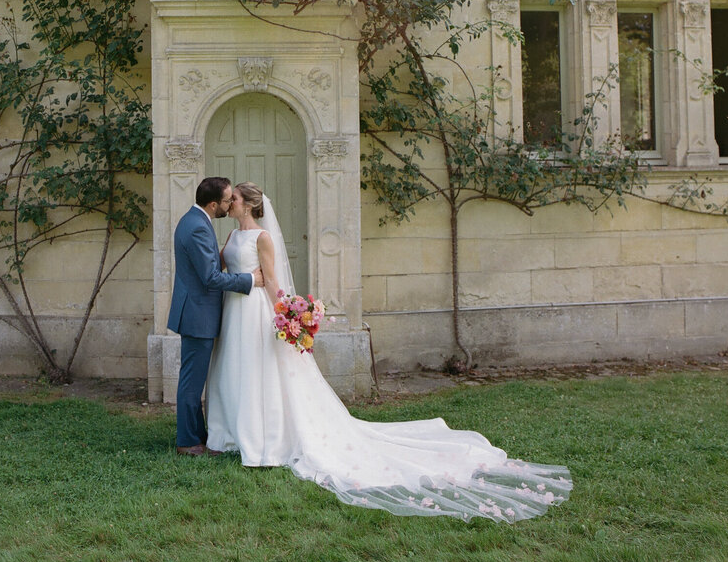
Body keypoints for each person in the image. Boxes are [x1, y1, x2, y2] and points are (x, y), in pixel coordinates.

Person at [205, 181, 573, 523]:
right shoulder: (234, 234)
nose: (229, 202)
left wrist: (285, 315)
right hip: (235, 309)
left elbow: (271, 281)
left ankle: (265, 438)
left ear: (250, 204)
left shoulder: (262, 237)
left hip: (257, 310)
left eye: (234, 198)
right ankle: (237, 432)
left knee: (261, 370)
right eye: (229, 198)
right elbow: (224, 267)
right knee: (240, 368)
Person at [168, 176, 264, 457]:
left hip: (198, 312)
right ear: (212, 204)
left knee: (195, 378)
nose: (229, 204)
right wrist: (248, 279)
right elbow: (210, 278)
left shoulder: (196, 221)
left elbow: (209, 264)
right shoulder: (197, 227)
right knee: (192, 380)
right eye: (225, 200)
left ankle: (198, 435)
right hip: (197, 314)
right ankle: (187, 442)